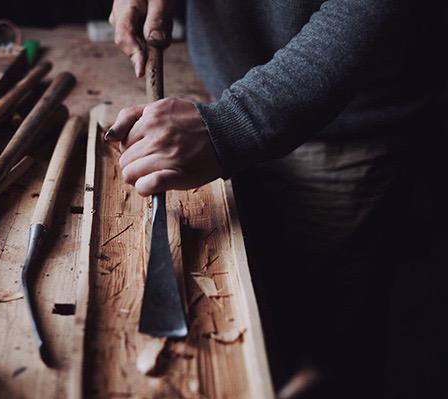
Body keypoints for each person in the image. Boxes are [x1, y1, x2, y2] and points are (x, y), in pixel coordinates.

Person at [106, 0, 446, 397]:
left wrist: (233, 124)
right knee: (264, 305)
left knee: (324, 331)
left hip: (343, 122)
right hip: (225, 90)